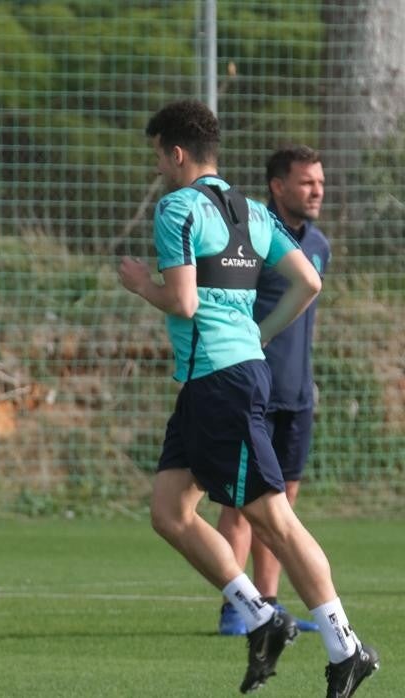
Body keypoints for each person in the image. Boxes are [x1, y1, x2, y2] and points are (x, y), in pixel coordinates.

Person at [117, 100, 378, 697]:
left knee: (272, 518)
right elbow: (308, 281)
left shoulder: (178, 208)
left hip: (220, 380)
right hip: (224, 377)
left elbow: (182, 302)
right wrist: (258, 334)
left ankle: (345, 646)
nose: (157, 164)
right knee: (170, 511)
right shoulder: (252, 210)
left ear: (176, 152)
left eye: (158, 153)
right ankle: (263, 616)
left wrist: (141, 285)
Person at [215, 145, 330, 637]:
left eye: (319, 182)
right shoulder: (254, 239)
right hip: (253, 388)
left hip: (298, 394)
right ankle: (234, 609)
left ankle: (270, 603)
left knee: (282, 505)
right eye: (306, 182)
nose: (317, 190)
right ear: (277, 186)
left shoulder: (319, 244)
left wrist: (308, 376)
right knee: (242, 502)